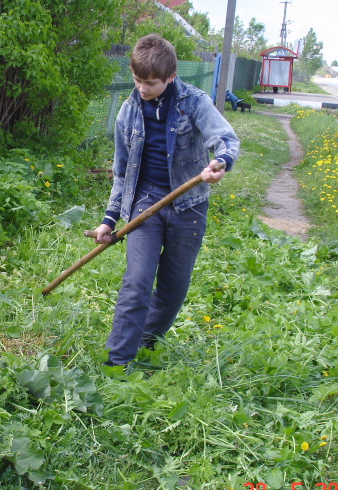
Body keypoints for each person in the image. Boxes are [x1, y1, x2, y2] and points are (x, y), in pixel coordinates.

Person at [94, 34, 240, 367]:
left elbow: (226, 140)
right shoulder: (128, 112)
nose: (142, 88)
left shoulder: (194, 102)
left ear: (171, 77)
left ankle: (145, 340)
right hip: (145, 204)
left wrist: (221, 162)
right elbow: (121, 172)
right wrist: (109, 218)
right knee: (138, 282)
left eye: (151, 83)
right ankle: (117, 364)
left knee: (173, 291)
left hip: (188, 207)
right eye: (137, 80)